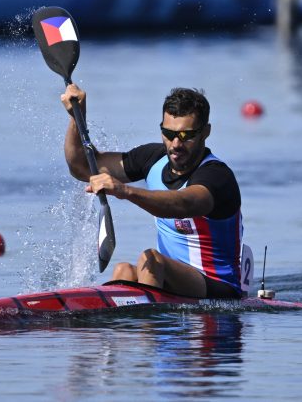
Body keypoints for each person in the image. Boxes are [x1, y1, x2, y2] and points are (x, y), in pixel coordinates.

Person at [61, 84, 243, 299]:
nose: (176, 144)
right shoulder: (152, 159)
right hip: (169, 279)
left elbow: (182, 204)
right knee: (124, 270)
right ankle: (116, 328)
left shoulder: (217, 176)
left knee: (152, 259)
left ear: (206, 132)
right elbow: (81, 167)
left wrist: (125, 191)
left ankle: (148, 328)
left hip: (218, 287)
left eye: (187, 135)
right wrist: (77, 117)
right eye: (168, 133)